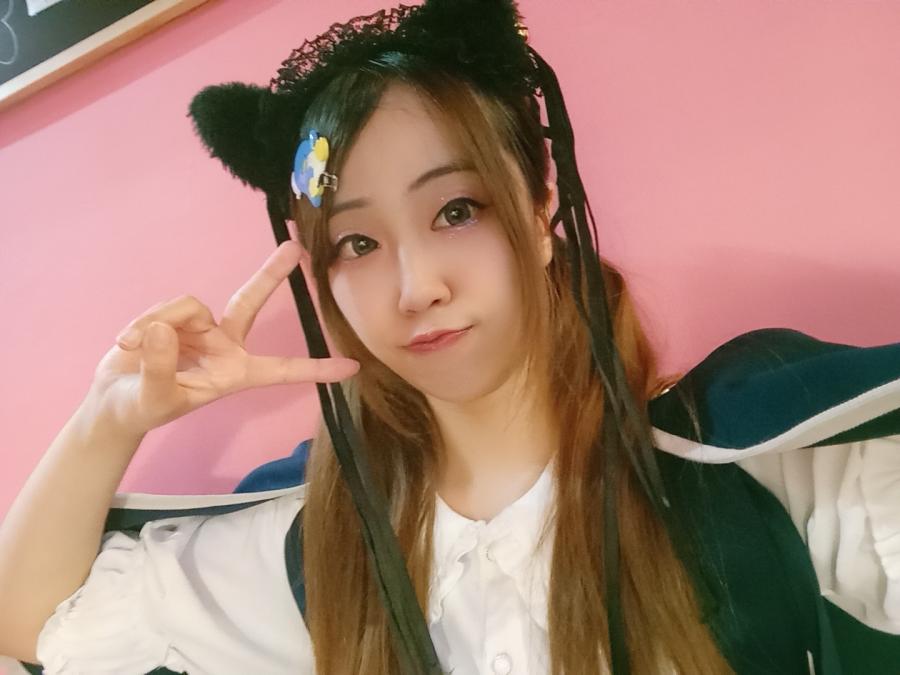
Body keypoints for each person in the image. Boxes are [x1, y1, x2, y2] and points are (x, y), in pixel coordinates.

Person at [1, 1, 898, 673]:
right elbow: (33, 624)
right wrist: (108, 417)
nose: (414, 286)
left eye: (456, 210)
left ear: (540, 211)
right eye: (357, 243)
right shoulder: (322, 540)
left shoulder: (749, 452)